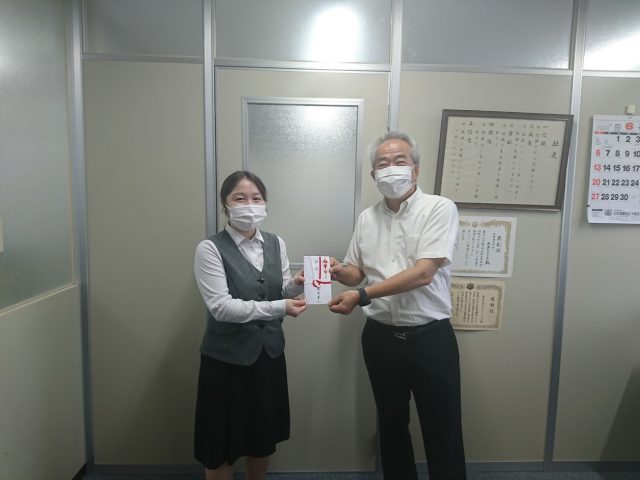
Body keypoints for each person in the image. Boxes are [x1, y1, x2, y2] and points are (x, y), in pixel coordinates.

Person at [328, 131, 466, 480]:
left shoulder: (439, 208)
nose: (391, 168)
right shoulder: (366, 218)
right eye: (383, 163)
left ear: (415, 169)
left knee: (443, 427)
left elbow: (423, 273)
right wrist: (339, 271)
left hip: (430, 337)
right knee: (391, 424)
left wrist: (362, 295)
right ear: (373, 174)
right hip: (380, 337)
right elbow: (357, 272)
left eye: (399, 161)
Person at [193, 170, 307, 480]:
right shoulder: (209, 249)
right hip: (225, 361)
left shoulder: (276, 243)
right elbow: (221, 307)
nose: (249, 205)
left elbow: (278, 288)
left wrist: (295, 286)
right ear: (225, 205)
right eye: (240, 198)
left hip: (268, 356)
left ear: (265, 203)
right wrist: (280, 307)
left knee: (261, 439)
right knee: (219, 447)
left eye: (256, 198)